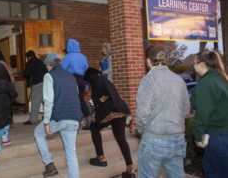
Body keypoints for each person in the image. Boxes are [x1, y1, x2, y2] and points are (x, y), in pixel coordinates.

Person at [136, 45, 190, 178]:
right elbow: (186, 109)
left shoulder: (149, 80)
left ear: (148, 60)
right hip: (177, 139)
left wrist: (143, 130)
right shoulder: (179, 80)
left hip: (154, 138)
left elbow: (142, 113)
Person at [34, 53, 82, 178]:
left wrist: (46, 122)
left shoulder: (49, 76)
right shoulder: (71, 77)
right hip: (74, 118)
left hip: (58, 117)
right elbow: (75, 96)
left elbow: (48, 101)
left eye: (46, 65)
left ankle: (49, 163)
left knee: (38, 133)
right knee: (71, 154)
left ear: (49, 65)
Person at [84, 67, 136, 178]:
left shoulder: (96, 80)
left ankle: (101, 158)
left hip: (110, 111)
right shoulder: (105, 79)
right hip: (121, 110)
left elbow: (100, 102)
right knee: (121, 139)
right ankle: (130, 169)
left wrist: (96, 115)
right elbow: (106, 97)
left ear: (89, 77)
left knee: (94, 127)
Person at [191, 50, 228, 177]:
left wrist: (198, 136)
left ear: (201, 64)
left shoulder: (207, 83)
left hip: (218, 137)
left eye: (194, 62)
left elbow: (202, 114)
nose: (193, 65)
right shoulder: (221, 78)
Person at [62, 38, 91, 130]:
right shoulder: (83, 57)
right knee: (81, 101)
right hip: (82, 80)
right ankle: (88, 122)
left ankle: (73, 123)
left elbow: (62, 70)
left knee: (70, 101)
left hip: (71, 80)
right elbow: (87, 71)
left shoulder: (67, 57)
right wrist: (86, 83)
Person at [23, 50, 48, 125]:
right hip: (45, 82)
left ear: (29, 57)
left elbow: (27, 74)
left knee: (35, 102)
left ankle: (33, 119)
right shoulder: (40, 61)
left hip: (37, 83)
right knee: (45, 101)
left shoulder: (30, 62)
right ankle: (47, 117)